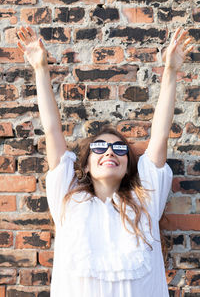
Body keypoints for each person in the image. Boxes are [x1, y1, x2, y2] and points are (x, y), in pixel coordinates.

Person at [17, 27, 193, 297]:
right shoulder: (67, 196)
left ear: (127, 166)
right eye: (99, 147)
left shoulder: (146, 199)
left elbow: (160, 134)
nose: (109, 152)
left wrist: (170, 71)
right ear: (86, 164)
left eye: (119, 148)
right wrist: (40, 67)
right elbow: (52, 130)